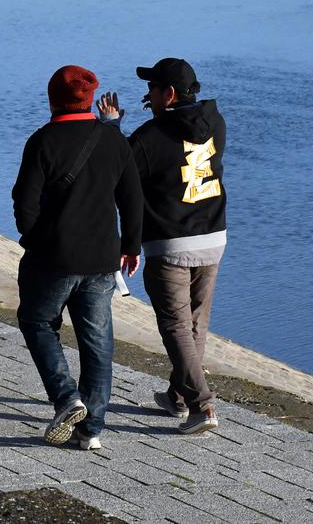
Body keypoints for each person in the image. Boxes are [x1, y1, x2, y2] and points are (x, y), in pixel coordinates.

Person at [12, 65, 142, 451]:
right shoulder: (114, 141)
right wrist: (130, 246)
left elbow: (23, 204)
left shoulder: (42, 141)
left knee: (36, 321)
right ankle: (93, 430)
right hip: (103, 259)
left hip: (53, 256)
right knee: (97, 340)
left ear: (53, 98)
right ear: (89, 99)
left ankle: (67, 398)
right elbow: (132, 199)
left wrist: (34, 240)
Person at [99, 58, 226, 435]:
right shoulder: (216, 123)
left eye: (152, 89)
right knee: (195, 323)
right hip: (214, 236)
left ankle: (202, 405)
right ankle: (179, 396)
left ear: (168, 94)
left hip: (171, 243)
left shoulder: (151, 137)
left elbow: (119, 171)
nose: (147, 95)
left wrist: (111, 128)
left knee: (175, 324)